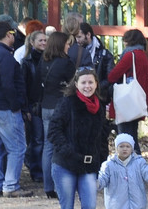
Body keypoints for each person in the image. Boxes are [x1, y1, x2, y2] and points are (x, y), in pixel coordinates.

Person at [48, 68, 109, 209]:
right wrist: (68, 151)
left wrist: (101, 159)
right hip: (65, 164)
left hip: (89, 165)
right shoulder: (67, 103)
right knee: (67, 206)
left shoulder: (99, 106)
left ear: (96, 84)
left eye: (90, 82)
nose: (87, 86)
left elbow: (101, 136)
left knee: (89, 205)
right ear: (76, 84)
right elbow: (54, 130)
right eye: (83, 82)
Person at [0, 19, 32, 197]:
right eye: (13, 34)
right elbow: (8, 84)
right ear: (8, 35)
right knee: (17, 147)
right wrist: (15, 106)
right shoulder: (5, 56)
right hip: (6, 107)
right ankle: (11, 185)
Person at [38, 30, 75, 198]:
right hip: (60, 107)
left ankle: (48, 186)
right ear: (62, 44)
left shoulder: (43, 60)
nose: (69, 47)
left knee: (48, 146)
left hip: (46, 105)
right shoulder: (66, 63)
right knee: (62, 144)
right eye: (67, 44)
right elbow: (73, 85)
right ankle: (61, 183)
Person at [107, 29, 148, 142]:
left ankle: (133, 159)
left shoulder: (130, 55)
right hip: (136, 101)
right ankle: (137, 159)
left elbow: (113, 76)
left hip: (126, 101)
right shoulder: (143, 55)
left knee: (125, 139)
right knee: (132, 137)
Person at [98, 133, 148, 209]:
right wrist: (97, 183)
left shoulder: (139, 162)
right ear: (116, 148)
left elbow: (147, 173)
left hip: (137, 205)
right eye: (121, 146)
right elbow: (103, 177)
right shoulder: (109, 165)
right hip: (116, 206)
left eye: (128, 146)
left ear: (132, 148)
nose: (125, 149)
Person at [20, 29, 47, 183]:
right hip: (33, 105)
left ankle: (43, 168)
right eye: (40, 40)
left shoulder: (49, 59)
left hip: (46, 104)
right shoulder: (27, 62)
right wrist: (26, 108)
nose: (43, 43)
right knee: (37, 139)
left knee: (45, 138)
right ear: (32, 42)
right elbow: (23, 87)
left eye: (45, 40)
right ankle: (35, 170)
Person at [70, 22, 114, 101]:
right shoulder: (74, 51)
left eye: (79, 37)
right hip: (79, 95)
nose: (77, 40)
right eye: (76, 37)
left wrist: (96, 87)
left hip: (99, 96)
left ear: (88, 35)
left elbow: (110, 77)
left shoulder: (104, 54)